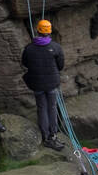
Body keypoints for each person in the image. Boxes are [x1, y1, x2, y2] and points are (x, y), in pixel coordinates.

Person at [21, 19, 65, 150]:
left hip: (37, 83)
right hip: (52, 83)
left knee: (41, 108)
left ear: (38, 31)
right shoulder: (56, 47)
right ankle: (53, 135)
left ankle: (45, 135)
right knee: (52, 107)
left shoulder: (29, 48)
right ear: (49, 32)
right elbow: (60, 66)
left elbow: (25, 63)